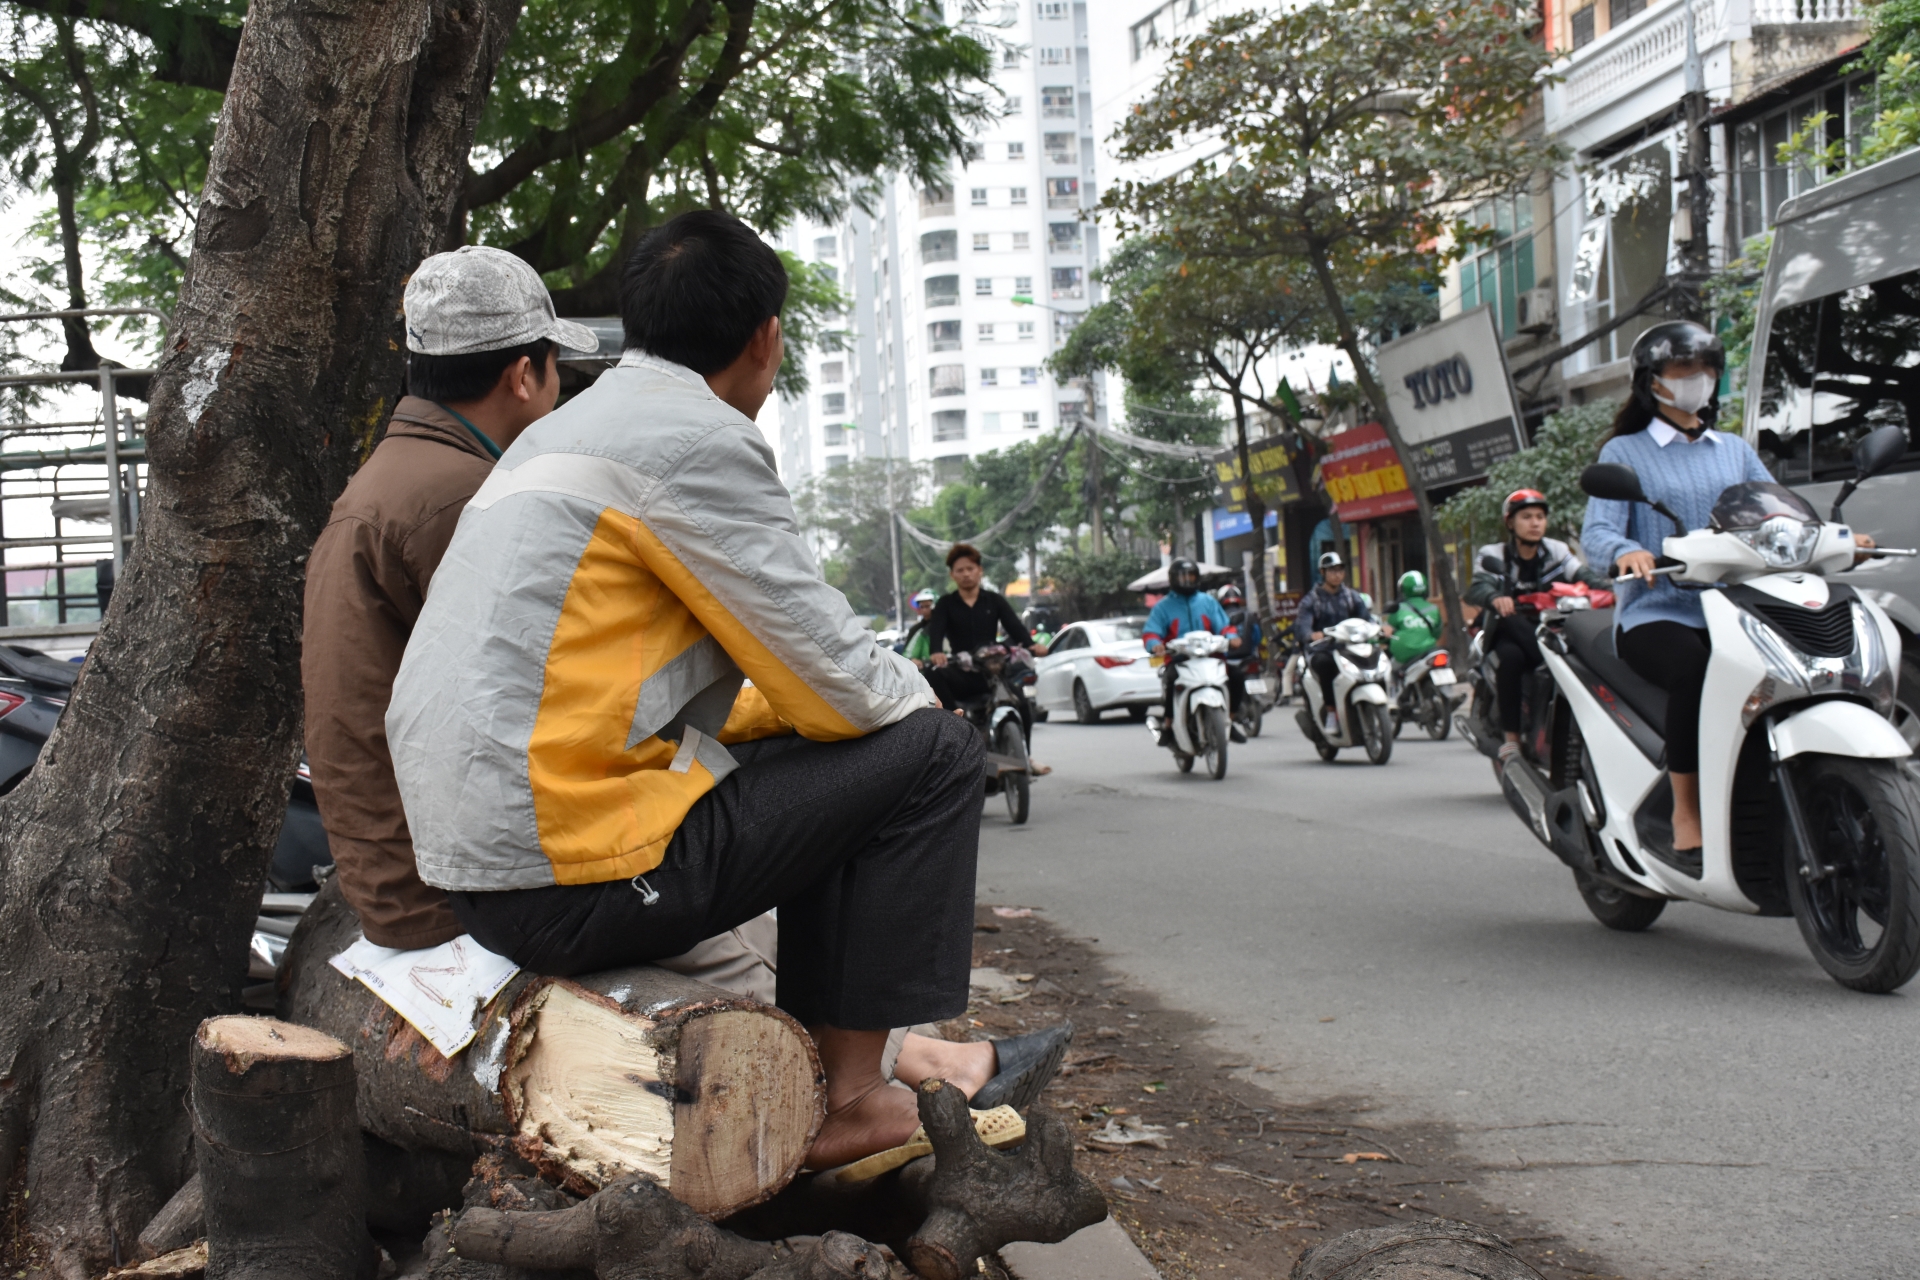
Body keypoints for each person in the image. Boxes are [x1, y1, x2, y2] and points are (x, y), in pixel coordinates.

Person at [385, 211, 1059, 1172]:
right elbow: (842, 682)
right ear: (765, 338)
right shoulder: (697, 439)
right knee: (933, 754)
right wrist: (921, 710)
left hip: (479, 869)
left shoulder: (559, 436)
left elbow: (696, 686)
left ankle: (858, 1059)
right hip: (560, 880)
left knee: (850, 753)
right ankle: (855, 1099)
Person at [302, 245, 781, 997]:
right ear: (524, 375)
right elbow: (601, 705)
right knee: (743, 879)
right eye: (558, 369)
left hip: (399, 870)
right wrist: (777, 710)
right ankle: (861, 1051)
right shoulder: (479, 500)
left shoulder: (393, 482)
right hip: (456, 889)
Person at [1582, 320, 1873, 856]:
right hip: (1660, 609)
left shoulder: (1734, 450)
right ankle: (1685, 811)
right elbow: (1598, 532)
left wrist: (1836, 538)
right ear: (1652, 381)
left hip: (1740, 607)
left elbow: (1779, 512)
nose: (1696, 378)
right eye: (1682, 369)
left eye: (1705, 369)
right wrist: (1626, 551)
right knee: (1695, 670)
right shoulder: (1624, 453)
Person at [1465, 491, 1610, 766]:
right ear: (1510, 522)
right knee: (1511, 659)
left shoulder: (1557, 551)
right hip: (1509, 631)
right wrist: (1495, 598)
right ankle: (1512, 738)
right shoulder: (1494, 554)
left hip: (1551, 628)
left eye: (1540, 517)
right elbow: (1478, 587)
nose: (1535, 523)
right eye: (1527, 517)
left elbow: (1584, 576)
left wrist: (1613, 591)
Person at [1142, 558, 1239, 744]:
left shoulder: (1208, 602)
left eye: (1191, 576)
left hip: (1211, 656)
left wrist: (1232, 637)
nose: (1187, 581)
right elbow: (1151, 632)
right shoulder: (1163, 607)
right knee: (1171, 680)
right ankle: (1168, 725)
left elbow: (1224, 626)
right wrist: (1155, 644)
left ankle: (1230, 720)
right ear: (1173, 579)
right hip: (1180, 659)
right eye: (1182, 577)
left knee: (1236, 676)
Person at [1294, 552, 1387, 735]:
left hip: (1350, 648)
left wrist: (1379, 628)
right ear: (1322, 573)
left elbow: (1366, 619)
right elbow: (1302, 626)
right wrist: (1311, 635)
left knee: (1378, 657)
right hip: (1324, 650)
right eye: (1332, 571)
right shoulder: (1312, 600)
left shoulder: (1352, 597)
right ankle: (1331, 712)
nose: (1337, 575)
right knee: (1325, 665)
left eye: (1340, 570)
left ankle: (1385, 701)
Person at [1216, 583, 1260, 721]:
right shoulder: (1249, 615)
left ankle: (1231, 712)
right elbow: (1257, 636)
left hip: (1227, 659)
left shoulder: (1218, 617)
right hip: (1249, 657)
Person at [901, 589, 938, 665]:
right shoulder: (916, 631)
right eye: (922, 607)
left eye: (927, 606)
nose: (924, 610)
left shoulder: (948, 627)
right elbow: (907, 654)